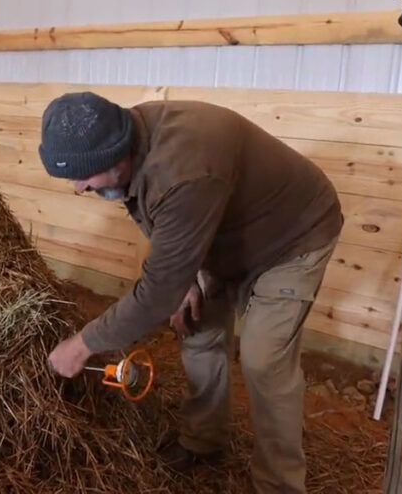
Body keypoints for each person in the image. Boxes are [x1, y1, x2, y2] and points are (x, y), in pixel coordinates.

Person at [39, 91, 343, 494]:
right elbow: (158, 217)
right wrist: (184, 277)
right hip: (221, 232)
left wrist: (81, 345)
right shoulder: (132, 139)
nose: (79, 188)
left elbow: (155, 293)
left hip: (291, 238)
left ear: (115, 157)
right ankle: (204, 442)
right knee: (197, 328)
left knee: (264, 360)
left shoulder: (183, 167)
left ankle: (279, 484)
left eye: (85, 177)